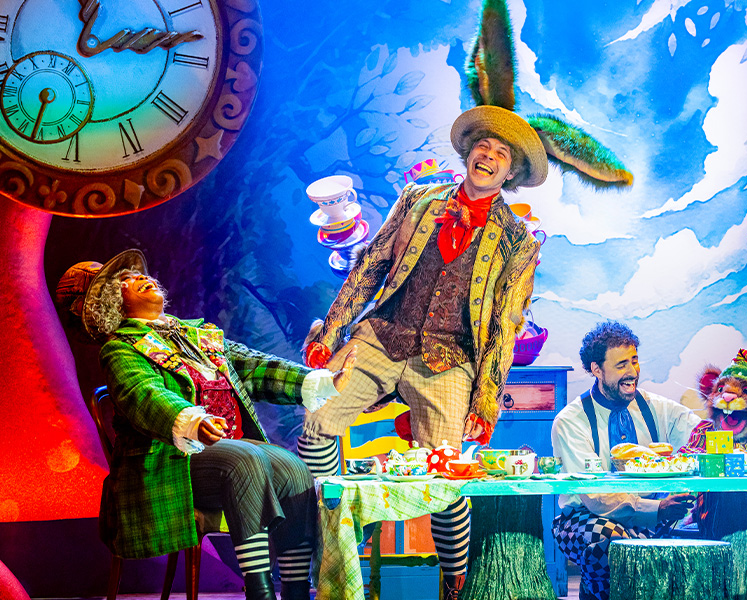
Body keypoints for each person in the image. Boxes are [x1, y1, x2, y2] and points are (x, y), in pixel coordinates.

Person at [298, 105, 547, 596]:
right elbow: (371, 265)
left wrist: (486, 398)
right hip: (385, 336)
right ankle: (331, 541)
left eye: (501, 154)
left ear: (510, 173)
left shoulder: (518, 240)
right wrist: (331, 331)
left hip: (448, 358)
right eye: (483, 146)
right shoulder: (419, 198)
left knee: (445, 475)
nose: (488, 157)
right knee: (317, 421)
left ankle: (452, 579)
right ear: (468, 152)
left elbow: (505, 324)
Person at [55, 250, 356, 600]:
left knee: (295, 470)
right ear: (110, 304)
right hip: (170, 463)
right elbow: (144, 395)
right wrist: (191, 421)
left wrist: (322, 381)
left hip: (230, 453)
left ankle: (294, 589)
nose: (139, 277)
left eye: (136, 274)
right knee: (244, 460)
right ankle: (259, 591)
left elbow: (254, 366)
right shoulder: (120, 349)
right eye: (123, 282)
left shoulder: (195, 336)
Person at [550, 321, 701, 600]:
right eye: (621, 365)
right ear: (597, 369)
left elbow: (700, 433)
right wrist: (657, 509)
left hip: (655, 516)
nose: (632, 372)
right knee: (613, 542)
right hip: (584, 517)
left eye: (634, 361)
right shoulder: (571, 422)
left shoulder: (657, 407)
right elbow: (596, 497)